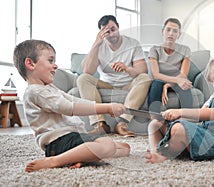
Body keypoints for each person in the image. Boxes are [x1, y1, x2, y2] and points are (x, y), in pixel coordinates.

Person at [13, 39, 130, 172]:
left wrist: (104, 106)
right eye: (50, 60)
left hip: (71, 138)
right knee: (107, 145)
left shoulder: (49, 89)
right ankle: (54, 161)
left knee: (125, 147)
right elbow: (70, 108)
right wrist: (107, 108)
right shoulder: (35, 91)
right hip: (59, 142)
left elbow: (75, 101)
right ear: (30, 63)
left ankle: (80, 158)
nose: (55, 65)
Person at [145, 52, 214, 163]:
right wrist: (173, 118)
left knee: (178, 129)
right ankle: (155, 152)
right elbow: (201, 114)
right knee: (156, 124)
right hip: (203, 136)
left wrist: (180, 112)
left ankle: (164, 154)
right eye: (213, 81)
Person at [77, 15, 151, 137]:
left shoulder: (133, 43)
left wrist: (127, 69)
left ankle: (121, 123)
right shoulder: (99, 46)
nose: (111, 34)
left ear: (118, 27)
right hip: (107, 85)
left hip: (129, 85)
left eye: (113, 29)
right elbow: (87, 71)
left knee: (145, 78)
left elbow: (143, 70)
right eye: (106, 32)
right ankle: (100, 125)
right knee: (83, 79)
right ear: (101, 33)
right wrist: (96, 44)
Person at [147, 18, 193, 113]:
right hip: (160, 81)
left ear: (179, 34)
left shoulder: (185, 50)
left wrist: (167, 85)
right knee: (156, 84)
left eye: (175, 31)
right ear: (162, 32)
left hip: (177, 82)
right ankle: (155, 119)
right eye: (168, 30)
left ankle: (186, 120)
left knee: (185, 86)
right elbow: (156, 75)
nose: (171, 33)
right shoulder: (154, 49)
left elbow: (183, 75)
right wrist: (174, 81)